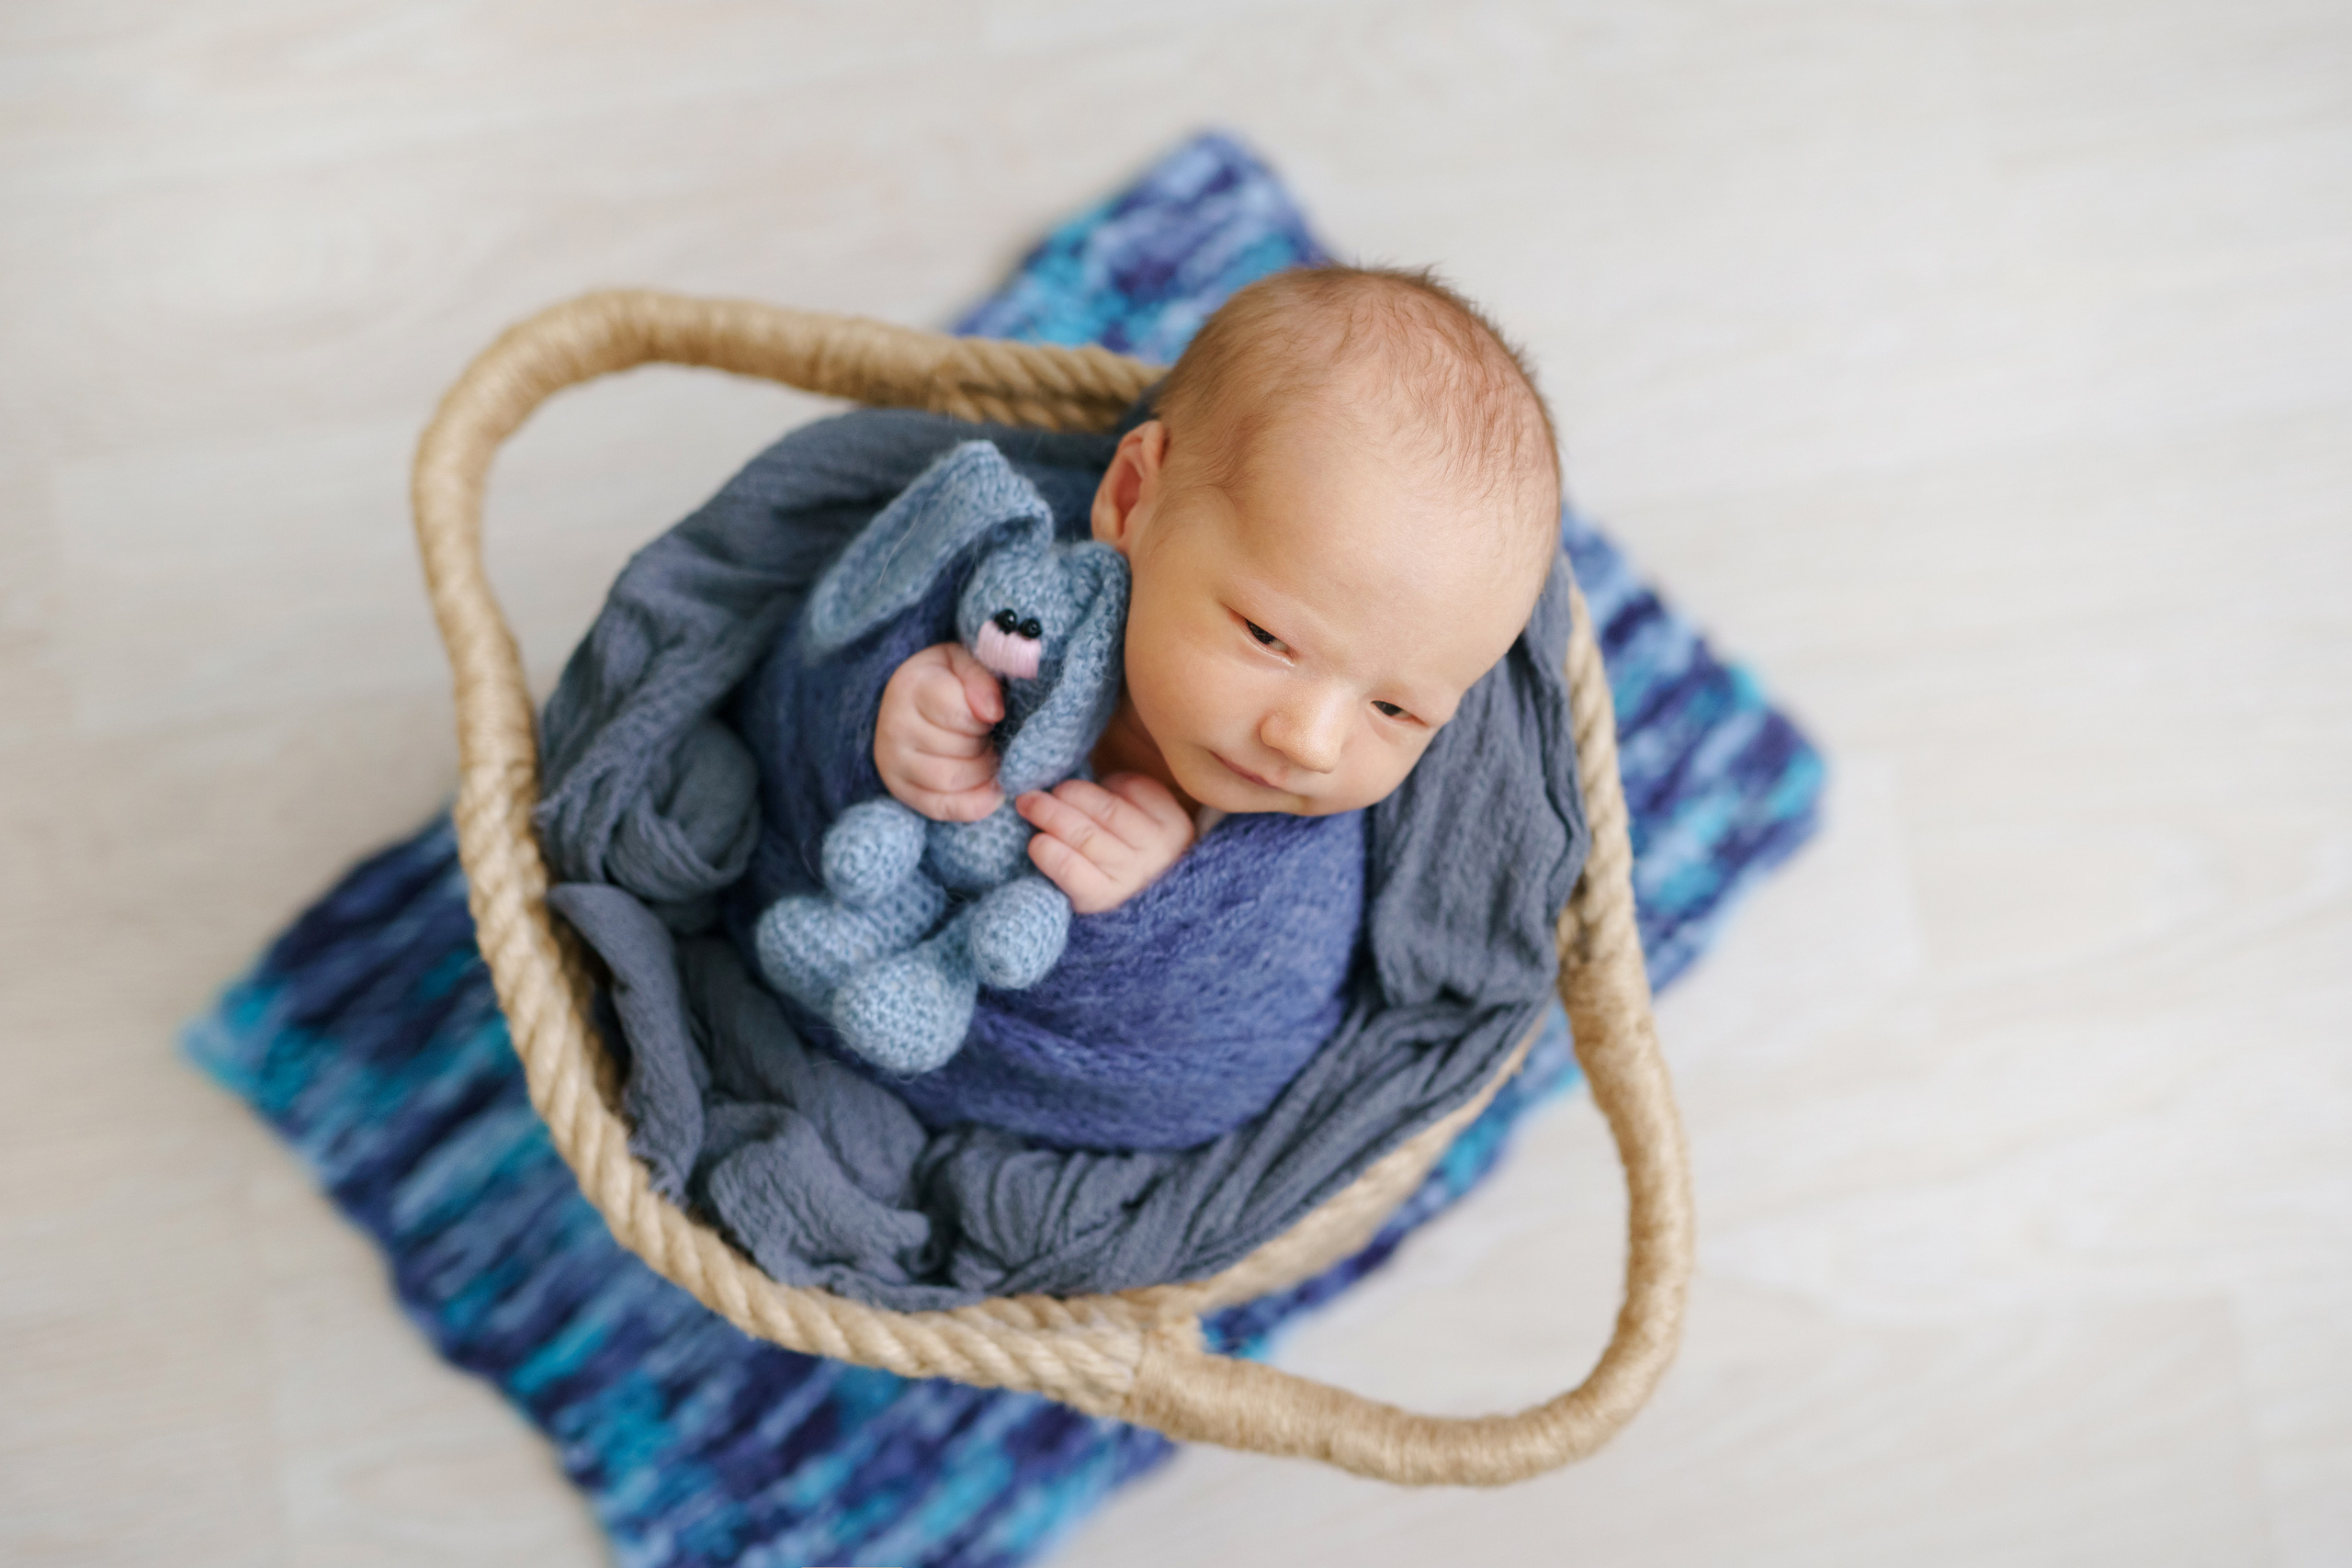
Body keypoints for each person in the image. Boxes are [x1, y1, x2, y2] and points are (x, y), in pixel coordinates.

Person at [869, 264, 1564, 917]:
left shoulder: (1318, 857)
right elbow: (825, 658)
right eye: (1268, 637)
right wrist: (892, 715)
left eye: (1396, 709)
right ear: (1133, 495)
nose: (1311, 745)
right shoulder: (1014, 601)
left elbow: (1279, 1007)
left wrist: (1160, 904)